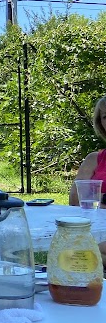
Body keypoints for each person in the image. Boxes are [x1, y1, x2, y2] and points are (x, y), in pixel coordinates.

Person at [67, 97, 106, 267]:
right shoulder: (94, 159)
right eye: (105, 117)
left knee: (77, 256)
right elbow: (75, 200)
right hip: (94, 229)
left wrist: (100, 198)